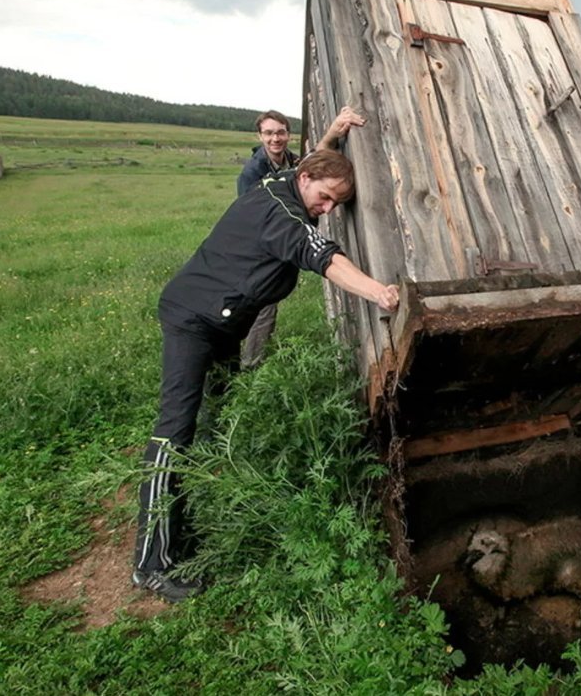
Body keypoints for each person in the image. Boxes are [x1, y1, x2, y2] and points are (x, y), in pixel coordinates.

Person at [132, 149, 398, 603]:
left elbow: (316, 172)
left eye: (337, 203)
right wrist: (379, 292)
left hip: (219, 326)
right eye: (326, 197)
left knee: (215, 425)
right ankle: (150, 563)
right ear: (306, 177)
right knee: (174, 432)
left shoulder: (285, 189)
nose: (329, 209)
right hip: (192, 320)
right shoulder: (279, 212)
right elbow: (322, 257)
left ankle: (183, 528)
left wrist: (336, 133)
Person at [236, 107, 367, 368]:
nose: (276, 139)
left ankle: (248, 360)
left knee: (264, 305)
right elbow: (252, 217)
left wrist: (332, 131)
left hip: (284, 248)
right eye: (269, 133)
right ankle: (250, 366)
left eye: (281, 133)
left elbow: (314, 161)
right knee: (259, 305)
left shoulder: (293, 162)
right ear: (260, 136)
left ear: (288, 134)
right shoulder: (252, 172)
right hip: (262, 252)